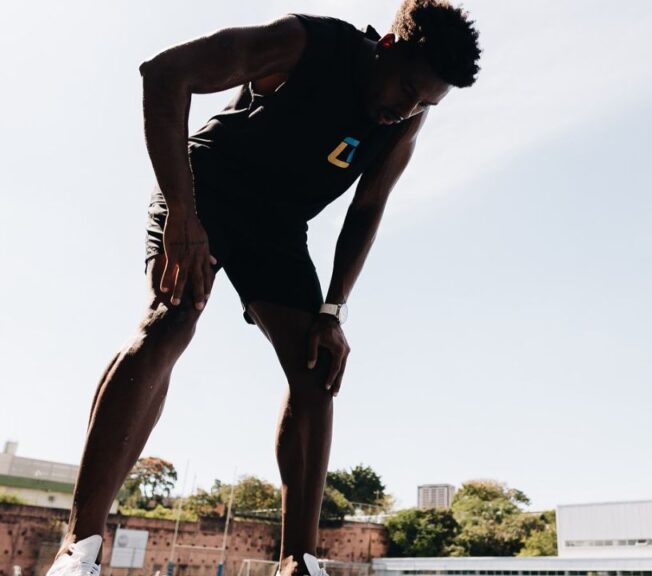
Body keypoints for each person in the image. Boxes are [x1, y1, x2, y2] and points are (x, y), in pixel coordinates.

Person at [45, 2, 481, 576]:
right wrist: (181, 211)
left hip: (275, 228)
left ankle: (298, 562)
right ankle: (79, 550)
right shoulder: (306, 44)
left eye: (424, 103)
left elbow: (367, 206)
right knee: (172, 318)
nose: (406, 110)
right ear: (390, 47)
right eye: (406, 89)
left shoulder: (404, 122)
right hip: (205, 188)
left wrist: (332, 309)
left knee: (315, 366)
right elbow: (166, 73)